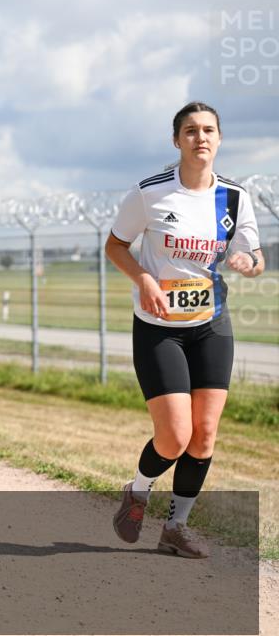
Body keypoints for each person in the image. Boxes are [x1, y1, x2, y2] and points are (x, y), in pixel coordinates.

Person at [107, 102, 264, 558]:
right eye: (191, 131)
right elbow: (115, 246)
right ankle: (138, 490)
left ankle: (175, 527)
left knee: (204, 434)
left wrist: (248, 262)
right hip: (159, 328)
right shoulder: (150, 193)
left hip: (212, 325)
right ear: (176, 140)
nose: (201, 138)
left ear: (219, 138)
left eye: (209, 130)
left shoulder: (234, 197)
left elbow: (256, 257)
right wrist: (144, 279)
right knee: (175, 437)